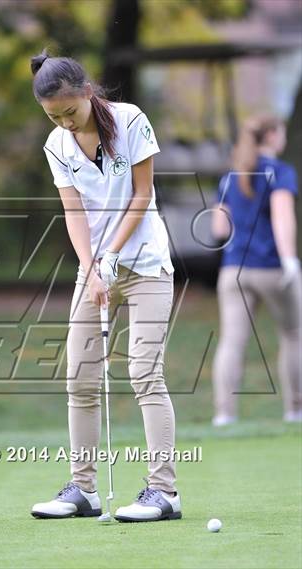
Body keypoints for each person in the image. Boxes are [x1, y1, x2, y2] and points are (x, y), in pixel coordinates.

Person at [29, 50, 181, 523]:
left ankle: (164, 492)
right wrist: (92, 268)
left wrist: (112, 253)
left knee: (143, 373)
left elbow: (143, 194)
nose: (66, 124)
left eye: (70, 112)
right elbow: (74, 213)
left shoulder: (130, 120)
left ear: (87, 93)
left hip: (146, 266)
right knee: (80, 378)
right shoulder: (57, 143)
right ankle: (83, 489)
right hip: (95, 270)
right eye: (54, 117)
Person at [211, 115, 301, 426]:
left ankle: (224, 415)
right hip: (272, 268)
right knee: (293, 335)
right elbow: (282, 218)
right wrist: (290, 259)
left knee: (232, 341)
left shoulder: (229, 176)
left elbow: (219, 227)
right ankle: (295, 410)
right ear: (273, 136)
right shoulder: (280, 172)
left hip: (233, 269)